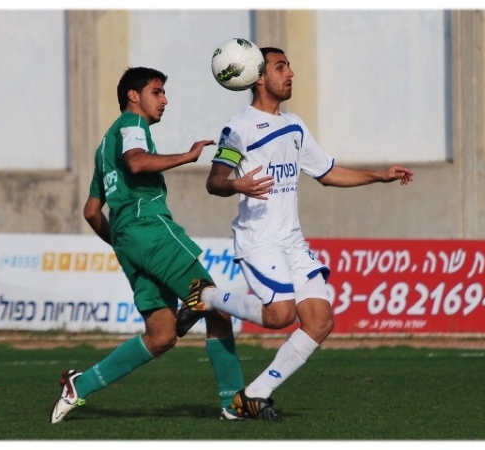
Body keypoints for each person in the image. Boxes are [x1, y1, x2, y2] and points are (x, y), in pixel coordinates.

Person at [176, 47, 414, 420]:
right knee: (280, 315)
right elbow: (215, 181)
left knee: (320, 321)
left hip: (292, 240)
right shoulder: (239, 128)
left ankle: (252, 396)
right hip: (259, 239)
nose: (290, 73)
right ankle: (205, 296)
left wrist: (378, 176)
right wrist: (238, 185)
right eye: (281, 67)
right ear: (258, 77)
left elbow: (327, 173)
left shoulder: (295, 125)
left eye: (289, 67)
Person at [50, 66, 246, 423]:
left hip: (130, 241)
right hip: (150, 229)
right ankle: (234, 405)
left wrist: (123, 244)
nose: (165, 100)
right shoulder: (132, 124)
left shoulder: (103, 146)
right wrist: (188, 156)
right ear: (133, 96)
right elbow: (137, 162)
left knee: (161, 335)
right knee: (215, 307)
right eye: (157, 92)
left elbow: (92, 211)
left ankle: (80, 385)